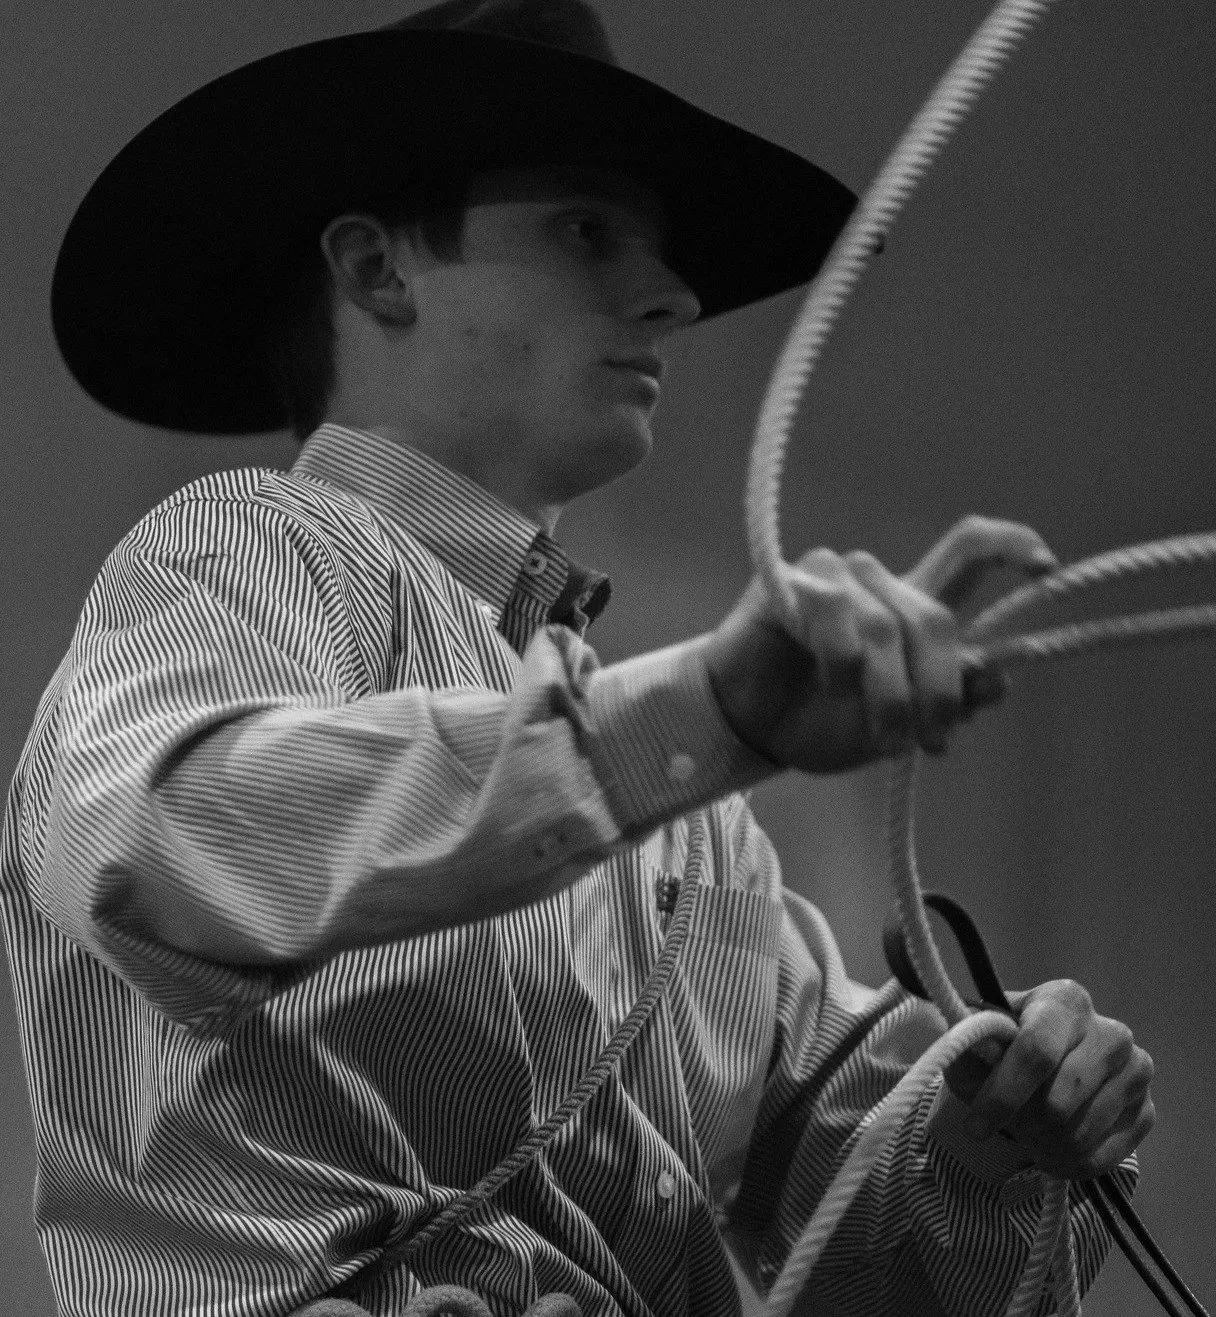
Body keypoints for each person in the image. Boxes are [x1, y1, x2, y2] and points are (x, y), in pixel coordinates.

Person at [3, 2, 1154, 1314]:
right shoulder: (244, 550)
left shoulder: (697, 838)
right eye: (587, 230)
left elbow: (851, 1247)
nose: (673, 296)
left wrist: (997, 1134)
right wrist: (702, 713)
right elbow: (148, 836)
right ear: (380, 271)